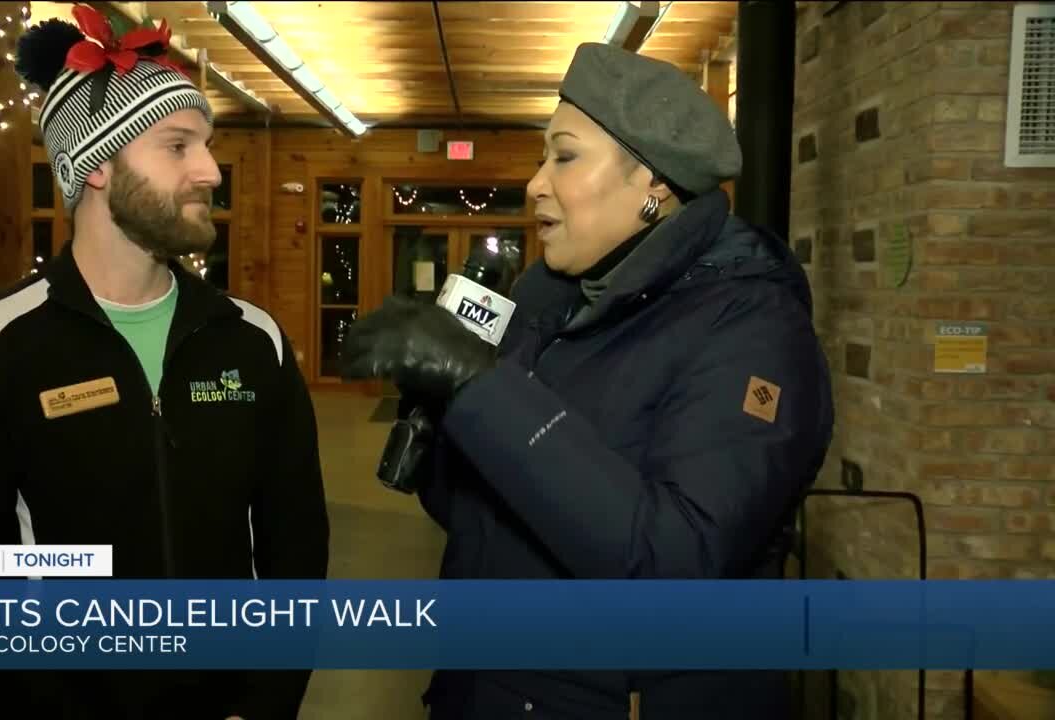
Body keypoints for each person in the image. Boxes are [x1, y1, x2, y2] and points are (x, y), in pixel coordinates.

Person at [341, 42, 834, 719]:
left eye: (565, 156)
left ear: (654, 184)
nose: (536, 183)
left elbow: (671, 562)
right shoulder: (547, 301)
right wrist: (436, 416)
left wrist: (479, 388)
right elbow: (480, 520)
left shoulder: (753, 331)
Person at [0, 6, 329, 719]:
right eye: (178, 146)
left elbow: (294, 550)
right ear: (97, 165)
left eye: (208, 144)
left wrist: (264, 703)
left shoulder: (251, 341)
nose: (210, 171)